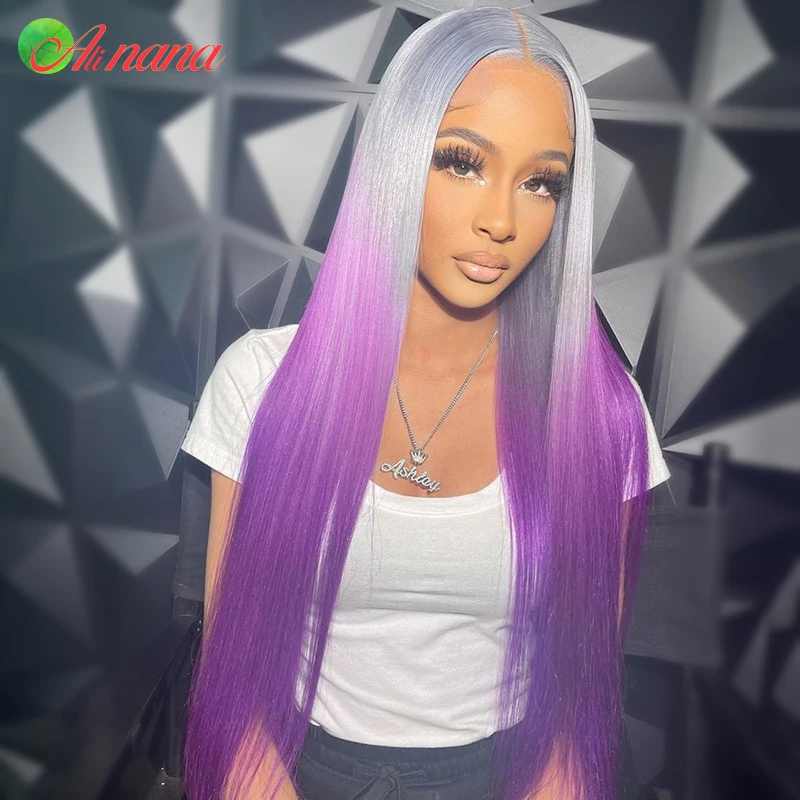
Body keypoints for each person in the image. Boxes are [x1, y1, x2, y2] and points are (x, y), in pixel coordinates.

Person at [179, 7, 671, 800]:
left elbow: (581, 700)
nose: (501, 220)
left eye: (542, 181)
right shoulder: (262, 386)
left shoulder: (599, 417)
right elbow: (232, 675)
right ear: (397, 156)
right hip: (299, 767)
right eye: (461, 162)